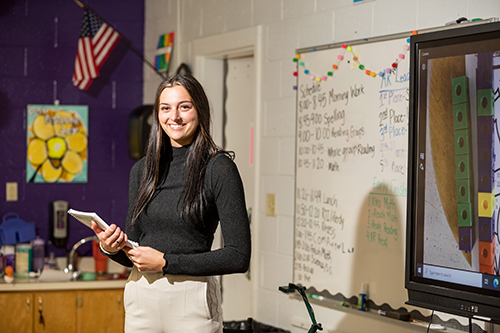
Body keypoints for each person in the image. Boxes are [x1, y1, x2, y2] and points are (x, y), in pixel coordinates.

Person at [92, 74, 251, 332]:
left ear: (200, 111)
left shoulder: (219, 168)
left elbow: (238, 256)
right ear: (157, 114)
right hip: (141, 295)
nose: (174, 116)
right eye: (165, 108)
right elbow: (133, 254)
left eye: (184, 107)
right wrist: (110, 247)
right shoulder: (142, 170)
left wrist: (167, 262)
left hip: (191, 299)